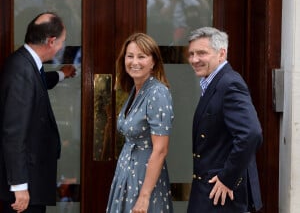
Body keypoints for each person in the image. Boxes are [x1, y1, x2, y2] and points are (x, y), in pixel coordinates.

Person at [187, 27, 263, 213]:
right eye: (192, 54)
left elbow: (251, 134)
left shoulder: (229, 83)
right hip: (209, 192)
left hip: (222, 196)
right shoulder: (213, 82)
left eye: (202, 53)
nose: (194, 59)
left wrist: (227, 178)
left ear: (221, 54)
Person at [0, 12, 67, 213]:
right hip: (22, 188)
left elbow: (38, 83)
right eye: (63, 41)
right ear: (51, 41)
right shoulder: (21, 69)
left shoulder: (27, 64)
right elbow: (13, 132)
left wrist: (63, 74)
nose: (63, 46)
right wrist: (19, 185)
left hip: (32, 179)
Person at [106, 33, 174, 213]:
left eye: (141, 56)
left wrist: (144, 197)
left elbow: (160, 150)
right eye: (130, 56)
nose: (134, 62)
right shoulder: (136, 90)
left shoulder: (157, 93)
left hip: (145, 178)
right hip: (127, 172)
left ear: (153, 62)